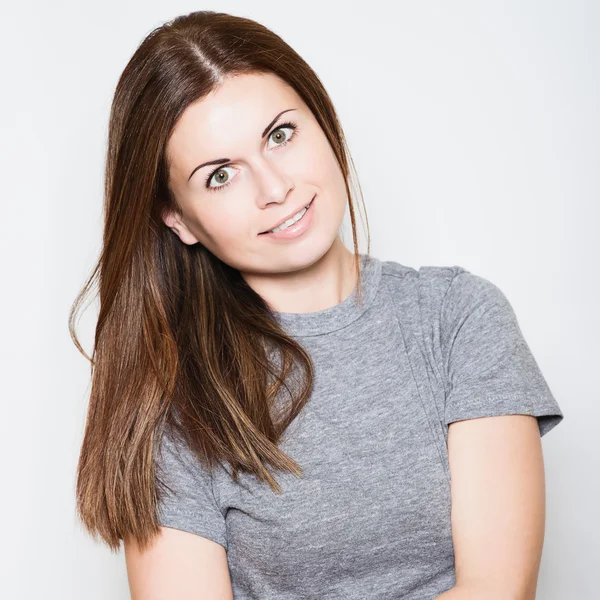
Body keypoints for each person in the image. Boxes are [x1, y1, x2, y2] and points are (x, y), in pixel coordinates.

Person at [70, 10, 564, 600]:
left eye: (281, 135)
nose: (274, 188)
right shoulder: (175, 399)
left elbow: (499, 591)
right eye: (221, 175)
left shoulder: (457, 317)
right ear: (177, 218)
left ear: (322, 120)